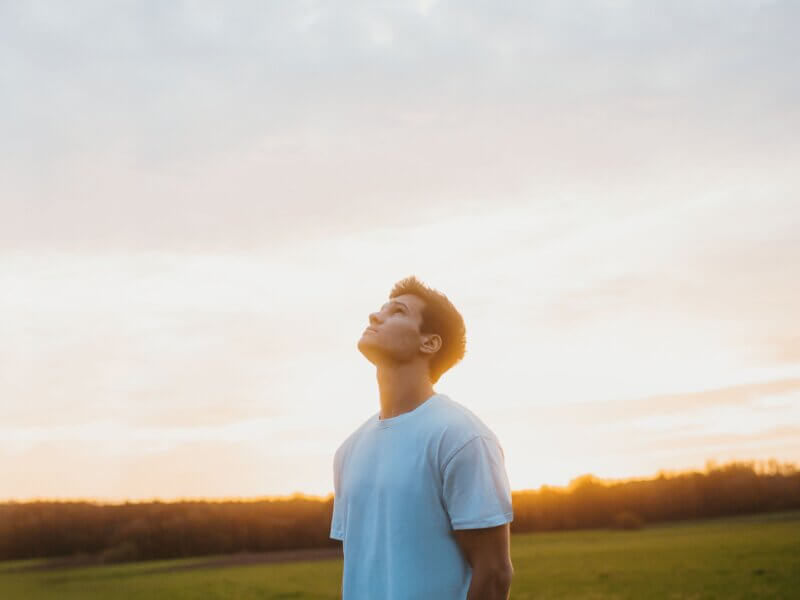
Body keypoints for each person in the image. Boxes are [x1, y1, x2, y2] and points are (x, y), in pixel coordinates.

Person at [330, 276, 514, 599]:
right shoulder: (348, 451)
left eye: (397, 312)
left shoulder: (461, 437)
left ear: (429, 343)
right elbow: (361, 569)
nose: (375, 317)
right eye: (379, 311)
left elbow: (495, 574)